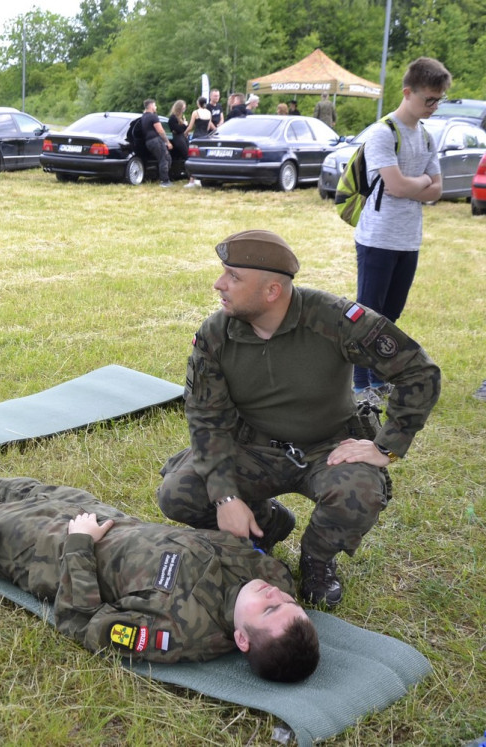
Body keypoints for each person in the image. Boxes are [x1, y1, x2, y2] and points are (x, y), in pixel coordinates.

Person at [0, 439, 320, 683]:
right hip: (115, 524)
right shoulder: (269, 574)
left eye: (271, 609)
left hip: (51, 553)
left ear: (241, 639)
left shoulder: (174, 633)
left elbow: (78, 621)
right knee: (33, 491)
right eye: (287, 602)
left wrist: (80, 543)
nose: (276, 594)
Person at [156, 230, 440, 609]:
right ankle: (266, 524)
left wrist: (386, 446)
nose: (218, 284)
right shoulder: (215, 334)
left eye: (233, 277)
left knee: (358, 494)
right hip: (252, 447)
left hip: (329, 447)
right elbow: (207, 420)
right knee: (179, 494)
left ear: (272, 291)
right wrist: (225, 496)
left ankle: (317, 561)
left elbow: (418, 372)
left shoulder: (335, 319)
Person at [351, 57, 451, 404]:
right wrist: (421, 182)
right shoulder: (383, 132)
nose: (434, 106)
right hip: (378, 238)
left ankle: (380, 377)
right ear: (408, 92)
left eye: (439, 100)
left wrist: (417, 183)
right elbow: (395, 187)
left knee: (391, 314)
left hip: (408, 240)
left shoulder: (425, 135)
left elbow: (439, 189)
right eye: (429, 99)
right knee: (368, 313)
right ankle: (360, 384)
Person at [132, 98, 172, 187]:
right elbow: (160, 130)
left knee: (166, 158)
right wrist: (167, 142)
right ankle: (165, 181)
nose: (156, 107)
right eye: (155, 105)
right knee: (164, 159)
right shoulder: (153, 116)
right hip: (156, 140)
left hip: (148, 141)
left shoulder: (144, 117)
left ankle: (162, 177)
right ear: (151, 106)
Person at [185, 97, 214, 188]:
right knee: (203, 158)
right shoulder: (209, 112)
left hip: (197, 136)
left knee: (193, 158)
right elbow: (208, 127)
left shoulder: (196, 112)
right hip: (205, 137)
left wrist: (185, 133)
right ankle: (200, 179)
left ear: (198, 103)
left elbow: (190, 127)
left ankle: (192, 180)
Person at [167, 99, 190, 179]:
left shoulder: (180, 117)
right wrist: (184, 125)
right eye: (183, 108)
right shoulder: (173, 118)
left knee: (186, 155)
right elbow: (178, 129)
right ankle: (190, 175)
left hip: (182, 137)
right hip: (178, 138)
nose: (184, 109)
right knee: (186, 155)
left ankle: (186, 173)